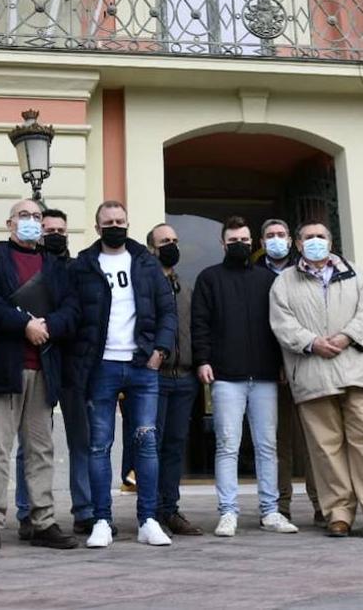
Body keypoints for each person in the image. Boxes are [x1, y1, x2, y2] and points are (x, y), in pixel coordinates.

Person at [268, 221, 363, 539]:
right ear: (298, 244)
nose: (315, 241)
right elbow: (282, 323)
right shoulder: (285, 282)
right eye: (308, 237)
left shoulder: (356, 274)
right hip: (313, 372)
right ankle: (338, 513)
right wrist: (312, 341)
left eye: (321, 236)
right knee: (326, 448)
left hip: (355, 368)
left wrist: (345, 337)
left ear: (331, 241)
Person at [0, 200, 79, 554]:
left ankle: (43, 520)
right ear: (9, 223)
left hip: (44, 367)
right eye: (24, 216)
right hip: (4, 368)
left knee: (41, 448)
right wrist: (25, 325)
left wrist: (47, 327)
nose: (31, 222)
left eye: (36, 217)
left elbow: (72, 308)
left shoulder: (54, 264)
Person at [71, 200, 176, 549]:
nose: (115, 225)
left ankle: (148, 519)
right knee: (100, 445)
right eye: (108, 221)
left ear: (128, 224)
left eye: (120, 220)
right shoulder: (84, 264)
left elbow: (167, 312)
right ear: (97, 226)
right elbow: (74, 315)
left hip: (142, 366)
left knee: (146, 443)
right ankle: (102, 519)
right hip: (101, 366)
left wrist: (159, 352)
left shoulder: (146, 263)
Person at [194, 217, 297, 537]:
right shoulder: (209, 278)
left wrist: (281, 362)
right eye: (233, 240)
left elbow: (279, 325)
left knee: (267, 446)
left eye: (244, 239)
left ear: (253, 243)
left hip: (265, 376)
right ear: (223, 244)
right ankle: (228, 512)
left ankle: (271, 511)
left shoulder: (268, 279)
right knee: (227, 446)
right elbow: (200, 323)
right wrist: (202, 359)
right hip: (225, 377)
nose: (240, 244)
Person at [14, 208, 94, 536]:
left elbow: (80, 314)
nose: (56, 235)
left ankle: (84, 510)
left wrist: (50, 326)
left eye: (61, 229)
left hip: (73, 365)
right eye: (49, 230)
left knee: (81, 441)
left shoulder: (77, 270)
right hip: (36, 360)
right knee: (29, 444)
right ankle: (26, 512)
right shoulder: (27, 267)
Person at [260, 218, 322, 528]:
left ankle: (322, 503)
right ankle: (280, 505)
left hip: (310, 364)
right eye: (270, 235)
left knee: (316, 439)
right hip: (273, 371)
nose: (276, 239)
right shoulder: (257, 276)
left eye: (281, 235)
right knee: (278, 441)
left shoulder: (308, 271)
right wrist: (275, 364)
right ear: (262, 242)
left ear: (291, 241)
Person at [146, 223, 203, 536]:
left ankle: (170, 508)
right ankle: (151, 510)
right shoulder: (145, 284)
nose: (171, 245)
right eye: (165, 241)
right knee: (150, 446)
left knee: (175, 447)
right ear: (152, 248)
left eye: (175, 240)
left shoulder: (185, 287)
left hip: (185, 378)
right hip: (155, 378)